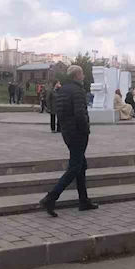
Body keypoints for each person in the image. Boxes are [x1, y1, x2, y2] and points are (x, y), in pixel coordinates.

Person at [39, 65, 98, 217]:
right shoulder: (77, 90)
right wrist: (86, 129)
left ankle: (83, 200)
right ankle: (51, 198)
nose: (84, 76)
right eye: (82, 73)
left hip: (67, 132)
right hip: (78, 133)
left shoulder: (63, 90)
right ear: (77, 74)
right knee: (74, 167)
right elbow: (80, 114)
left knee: (81, 165)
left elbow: (60, 112)